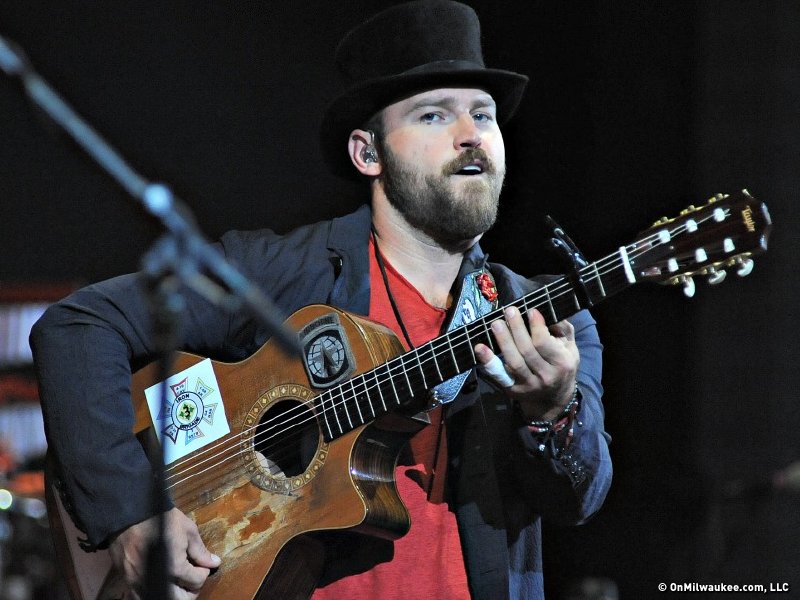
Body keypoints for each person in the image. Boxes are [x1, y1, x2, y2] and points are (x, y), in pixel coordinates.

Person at [30, 2, 612, 599]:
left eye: (484, 116)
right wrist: (131, 512)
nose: (471, 136)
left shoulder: (549, 317)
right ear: (368, 153)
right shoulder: (280, 272)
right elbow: (78, 326)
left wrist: (553, 411)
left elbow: (576, 501)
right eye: (434, 115)